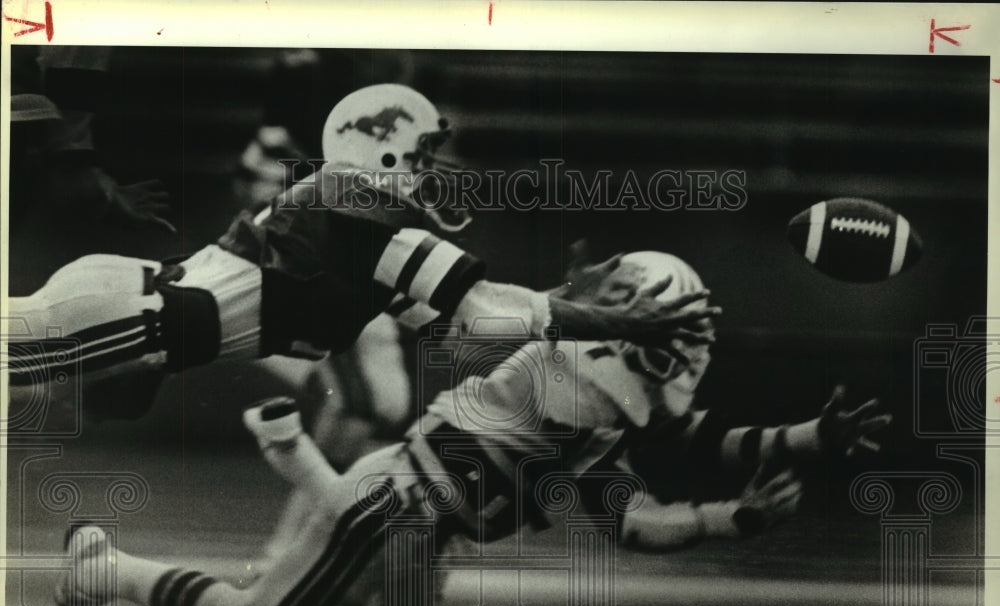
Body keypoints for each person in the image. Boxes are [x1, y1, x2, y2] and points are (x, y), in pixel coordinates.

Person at [54, 251, 892, 606]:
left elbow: (639, 522)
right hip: (401, 506)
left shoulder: (597, 426)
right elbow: (687, 433)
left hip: (423, 517)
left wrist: (732, 513)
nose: (689, 358)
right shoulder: (573, 379)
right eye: (676, 338)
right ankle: (109, 561)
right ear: (638, 335)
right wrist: (798, 445)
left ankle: (304, 465)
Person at [6, 85, 715, 420]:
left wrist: (570, 307)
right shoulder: (361, 212)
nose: (437, 165)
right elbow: (491, 307)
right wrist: (620, 323)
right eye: (427, 150)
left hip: (137, 314)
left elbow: (477, 324)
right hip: (128, 313)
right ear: (383, 147)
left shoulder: (360, 224)